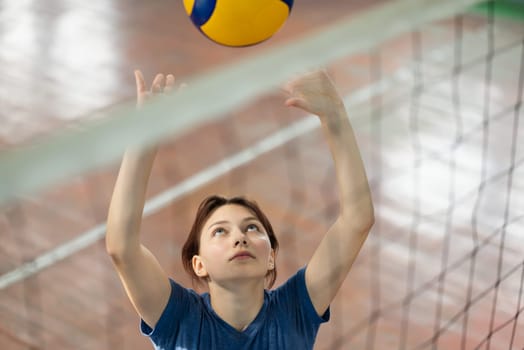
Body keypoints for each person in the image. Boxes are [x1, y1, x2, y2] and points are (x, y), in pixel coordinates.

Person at [106, 69, 374, 349]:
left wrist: (335, 116)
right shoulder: (180, 318)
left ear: (270, 257)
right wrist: (144, 138)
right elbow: (121, 247)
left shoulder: (294, 309)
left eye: (252, 227)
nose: (240, 237)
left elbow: (357, 220)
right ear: (199, 265)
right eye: (220, 231)